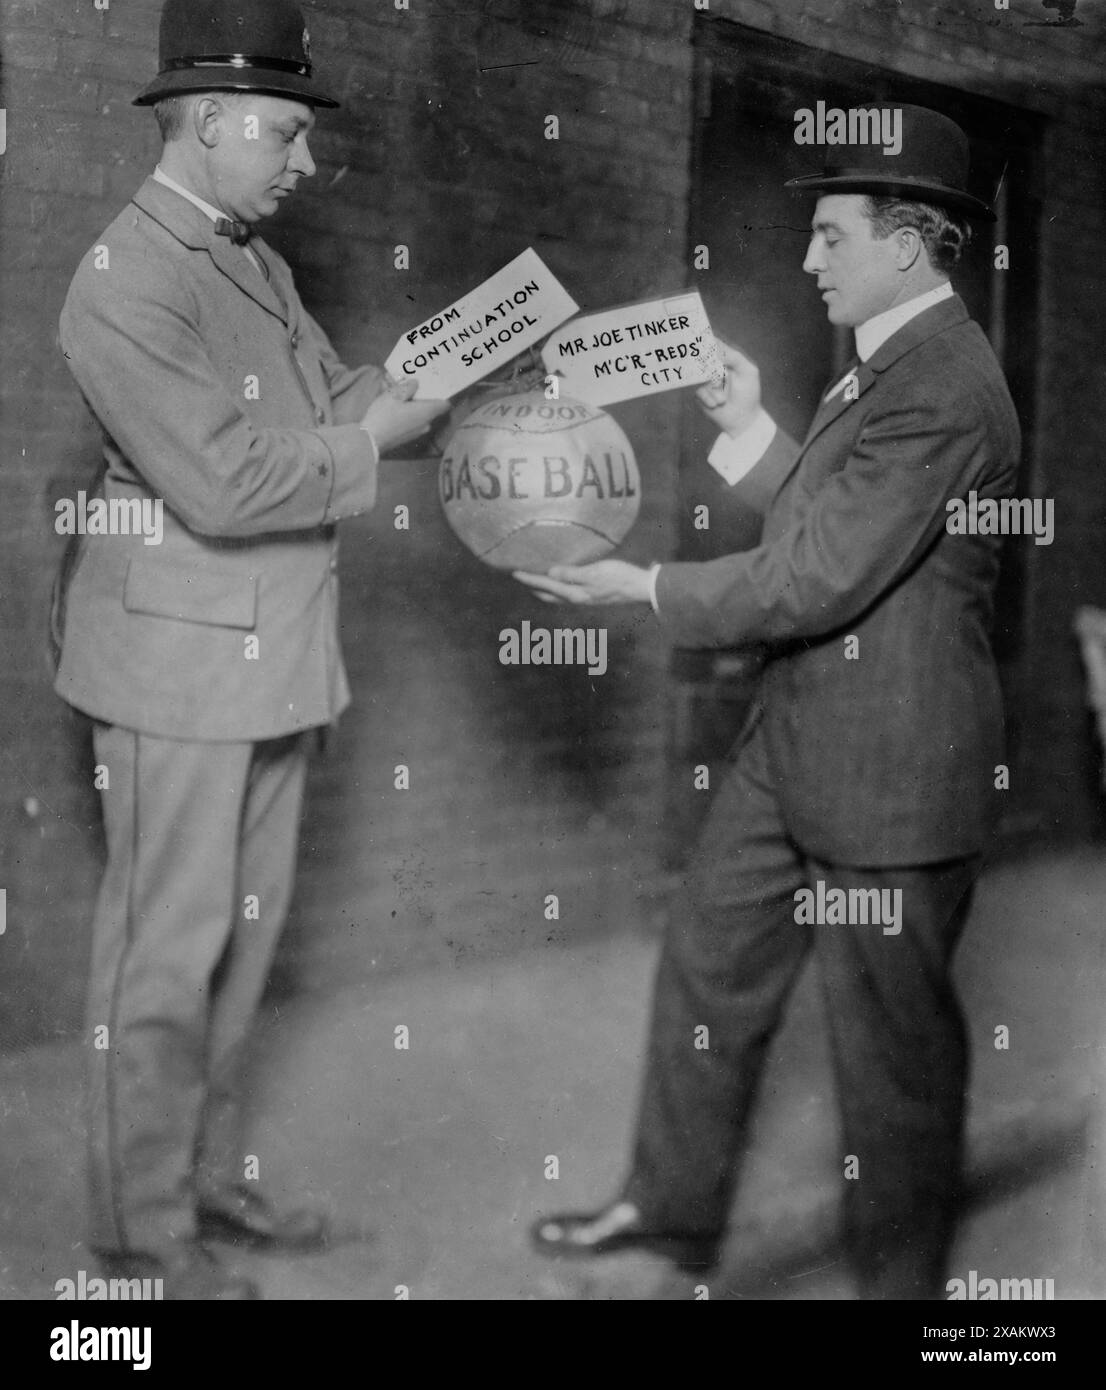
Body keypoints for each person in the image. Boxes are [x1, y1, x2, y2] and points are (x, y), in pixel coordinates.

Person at [520, 105, 1020, 1299]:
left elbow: (817, 572)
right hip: (794, 744)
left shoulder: (947, 381)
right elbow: (833, 516)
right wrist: (745, 427)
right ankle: (671, 1211)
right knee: (705, 958)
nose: (806, 261)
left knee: (888, 1060)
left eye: (829, 238)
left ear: (906, 244)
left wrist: (640, 583)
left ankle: (900, 1295)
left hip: (892, 771)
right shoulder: (891, 365)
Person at [55, 0, 447, 1299]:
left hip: (273, 656)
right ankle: (137, 1242)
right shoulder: (122, 280)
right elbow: (220, 483)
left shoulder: (249, 259)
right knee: (161, 963)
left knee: (235, 950)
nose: (304, 159)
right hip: (175, 671)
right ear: (210, 119)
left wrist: (439, 379)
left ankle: (197, 1184)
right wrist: (368, 442)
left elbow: (332, 405)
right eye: (283, 131)